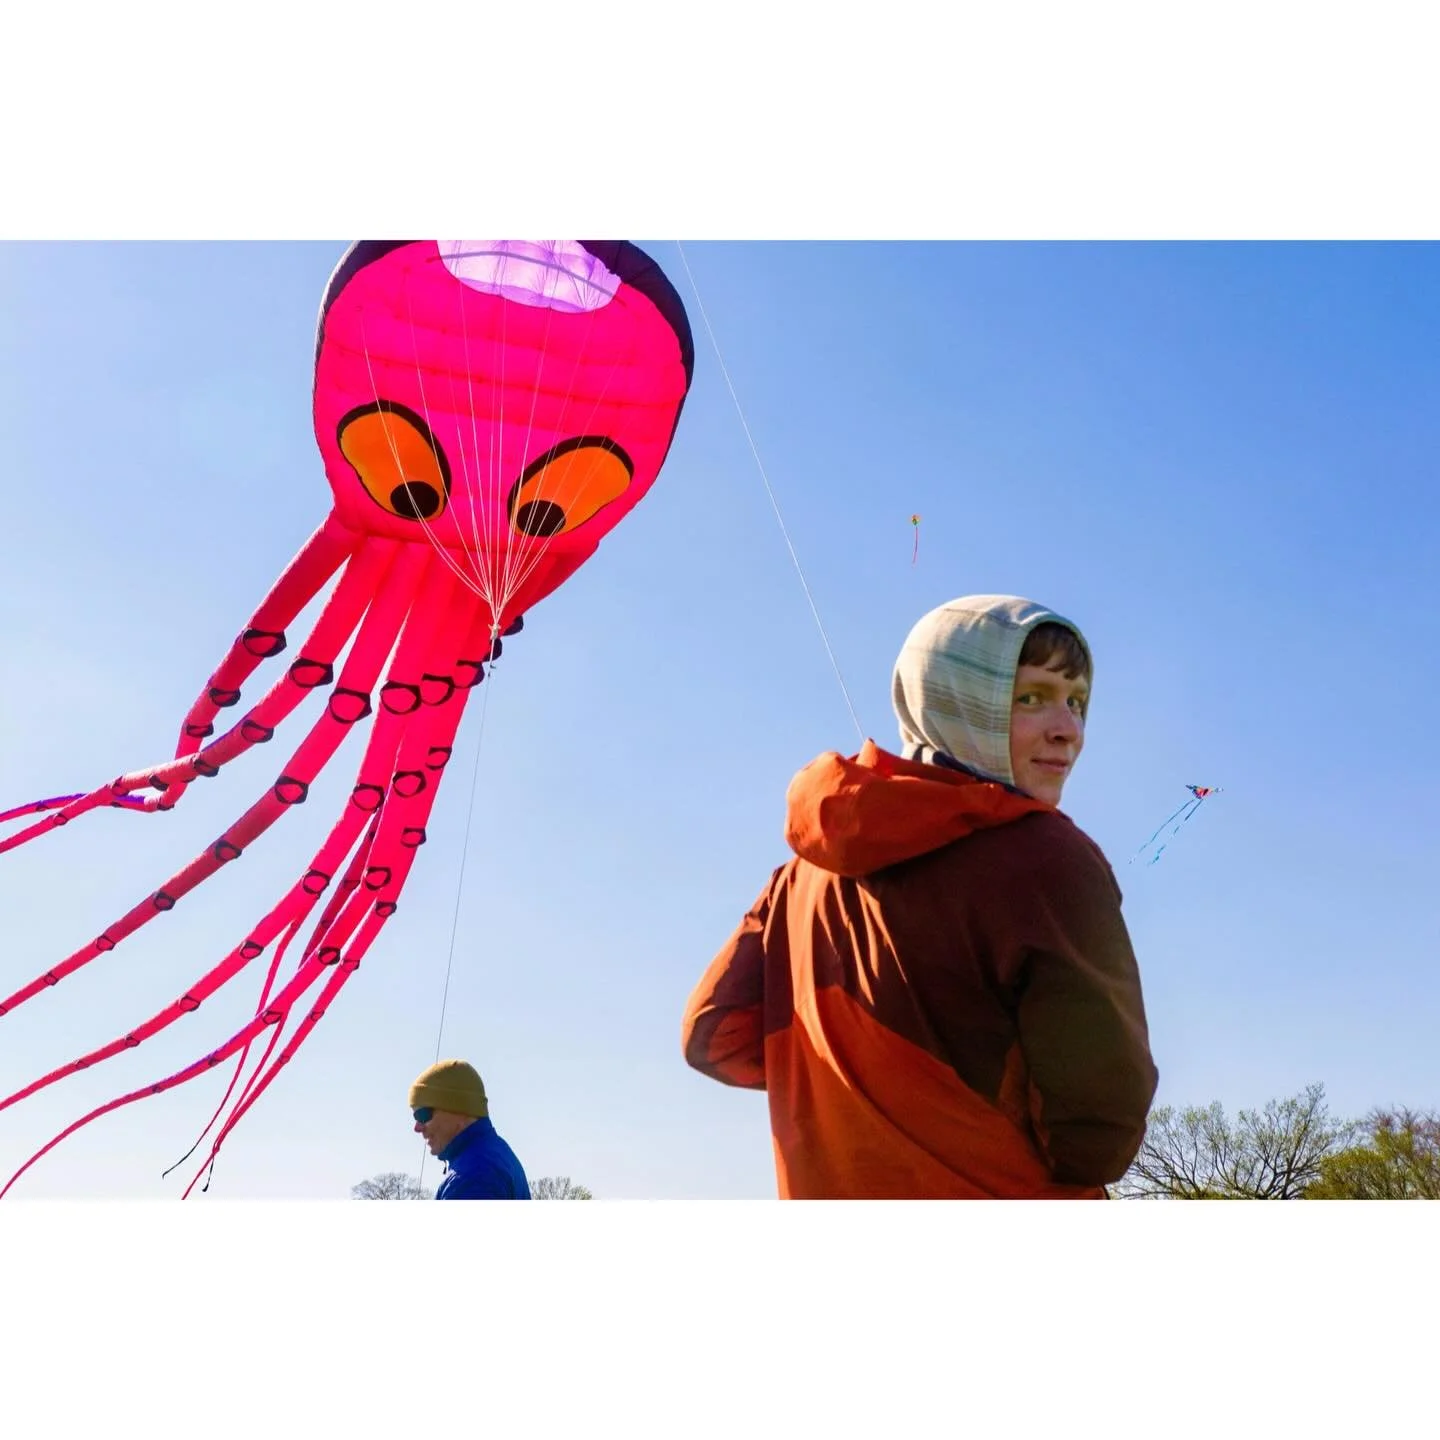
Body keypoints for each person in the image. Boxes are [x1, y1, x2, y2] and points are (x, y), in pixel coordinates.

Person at [681, 594, 1158, 1199]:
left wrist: (852, 1095)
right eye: (1030, 698)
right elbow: (1098, 1124)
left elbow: (712, 1034)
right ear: (952, 697)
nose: (1069, 730)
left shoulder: (796, 879)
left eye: (1078, 702)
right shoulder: (1044, 857)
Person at [408, 1058, 531, 1199]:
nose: (417, 1127)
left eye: (422, 1114)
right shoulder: (495, 1154)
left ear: (459, 1109)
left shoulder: (472, 1177)